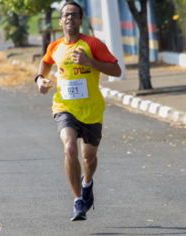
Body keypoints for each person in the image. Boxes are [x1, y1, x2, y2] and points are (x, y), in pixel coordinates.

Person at [35, 1, 121, 221]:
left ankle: (87, 183)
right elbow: (44, 65)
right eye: (66, 15)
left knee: (89, 159)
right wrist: (40, 80)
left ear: (81, 19)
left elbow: (116, 70)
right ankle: (78, 202)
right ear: (61, 20)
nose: (70, 18)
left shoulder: (93, 44)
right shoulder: (54, 47)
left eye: (74, 14)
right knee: (70, 148)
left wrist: (89, 61)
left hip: (92, 109)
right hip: (65, 107)